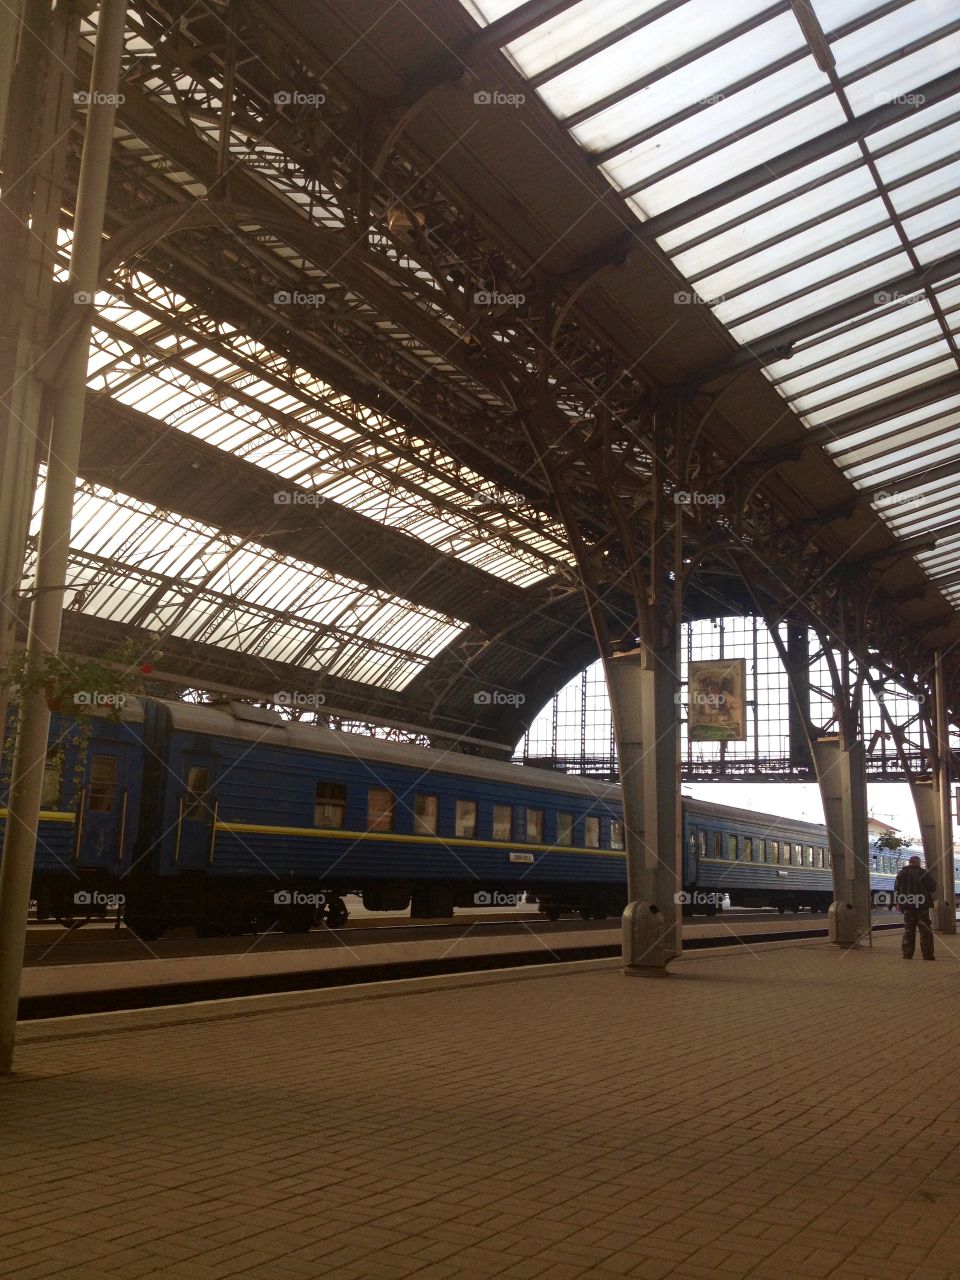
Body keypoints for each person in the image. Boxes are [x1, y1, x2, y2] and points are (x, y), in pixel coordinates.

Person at [892, 855, 937, 960]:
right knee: (925, 931)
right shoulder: (923, 873)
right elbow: (932, 887)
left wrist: (898, 902)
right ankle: (928, 955)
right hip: (922, 907)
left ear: (910, 862)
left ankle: (907, 954)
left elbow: (896, 889)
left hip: (907, 906)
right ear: (918, 862)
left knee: (908, 930)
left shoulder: (902, 873)